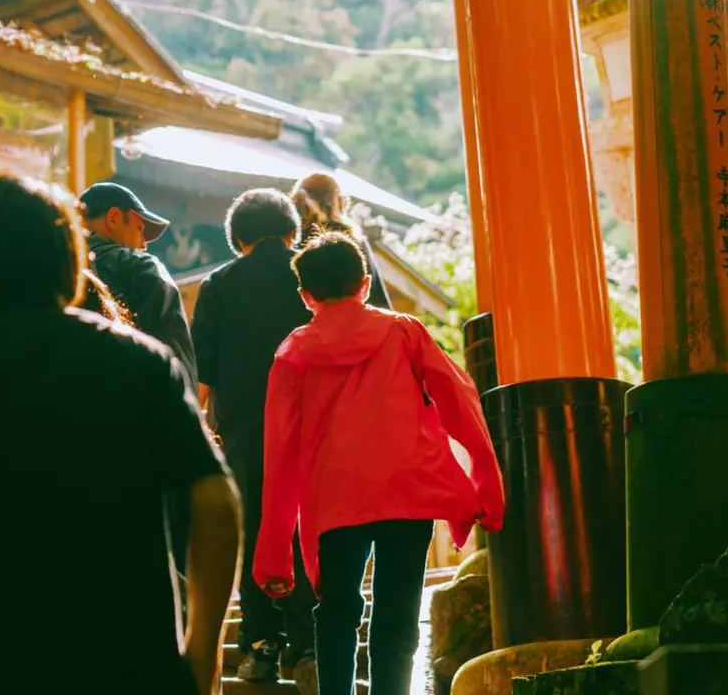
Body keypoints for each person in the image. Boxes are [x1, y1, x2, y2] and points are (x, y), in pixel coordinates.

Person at [0, 175, 241, 694]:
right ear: (68, 271)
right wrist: (200, 655)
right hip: (133, 669)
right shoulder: (143, 364)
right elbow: (217, 504)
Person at [255, 233, 504, 695]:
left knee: (336, 611)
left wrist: (273, 548)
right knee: (398, 613)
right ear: (365, 284)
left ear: (306, 296)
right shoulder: (404, 331)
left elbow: (279, 449)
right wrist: (485, 476)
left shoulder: (293, 354)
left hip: (335, 497)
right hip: (409, 487)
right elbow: (459, 396)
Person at [190, 189, 316, 684]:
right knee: (309, 528)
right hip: (312, 423)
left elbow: (205, 371)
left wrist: (203, 428)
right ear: (293, 231)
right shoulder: (309, 270)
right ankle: (309, 644)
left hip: (247, 430)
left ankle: (262, 645)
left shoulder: (219, 283)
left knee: (260, 529)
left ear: (237, 239)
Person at [79, 180, 199, 385]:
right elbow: (176, 360)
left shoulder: (53, 269)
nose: (143, 245)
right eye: (140, 229)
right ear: (114, 218)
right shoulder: (142, 267)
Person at [290, 171, 391, 310]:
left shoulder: (294, 242)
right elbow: (378, 298)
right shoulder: (354, 240)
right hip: (357, 325)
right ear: (339, 200)